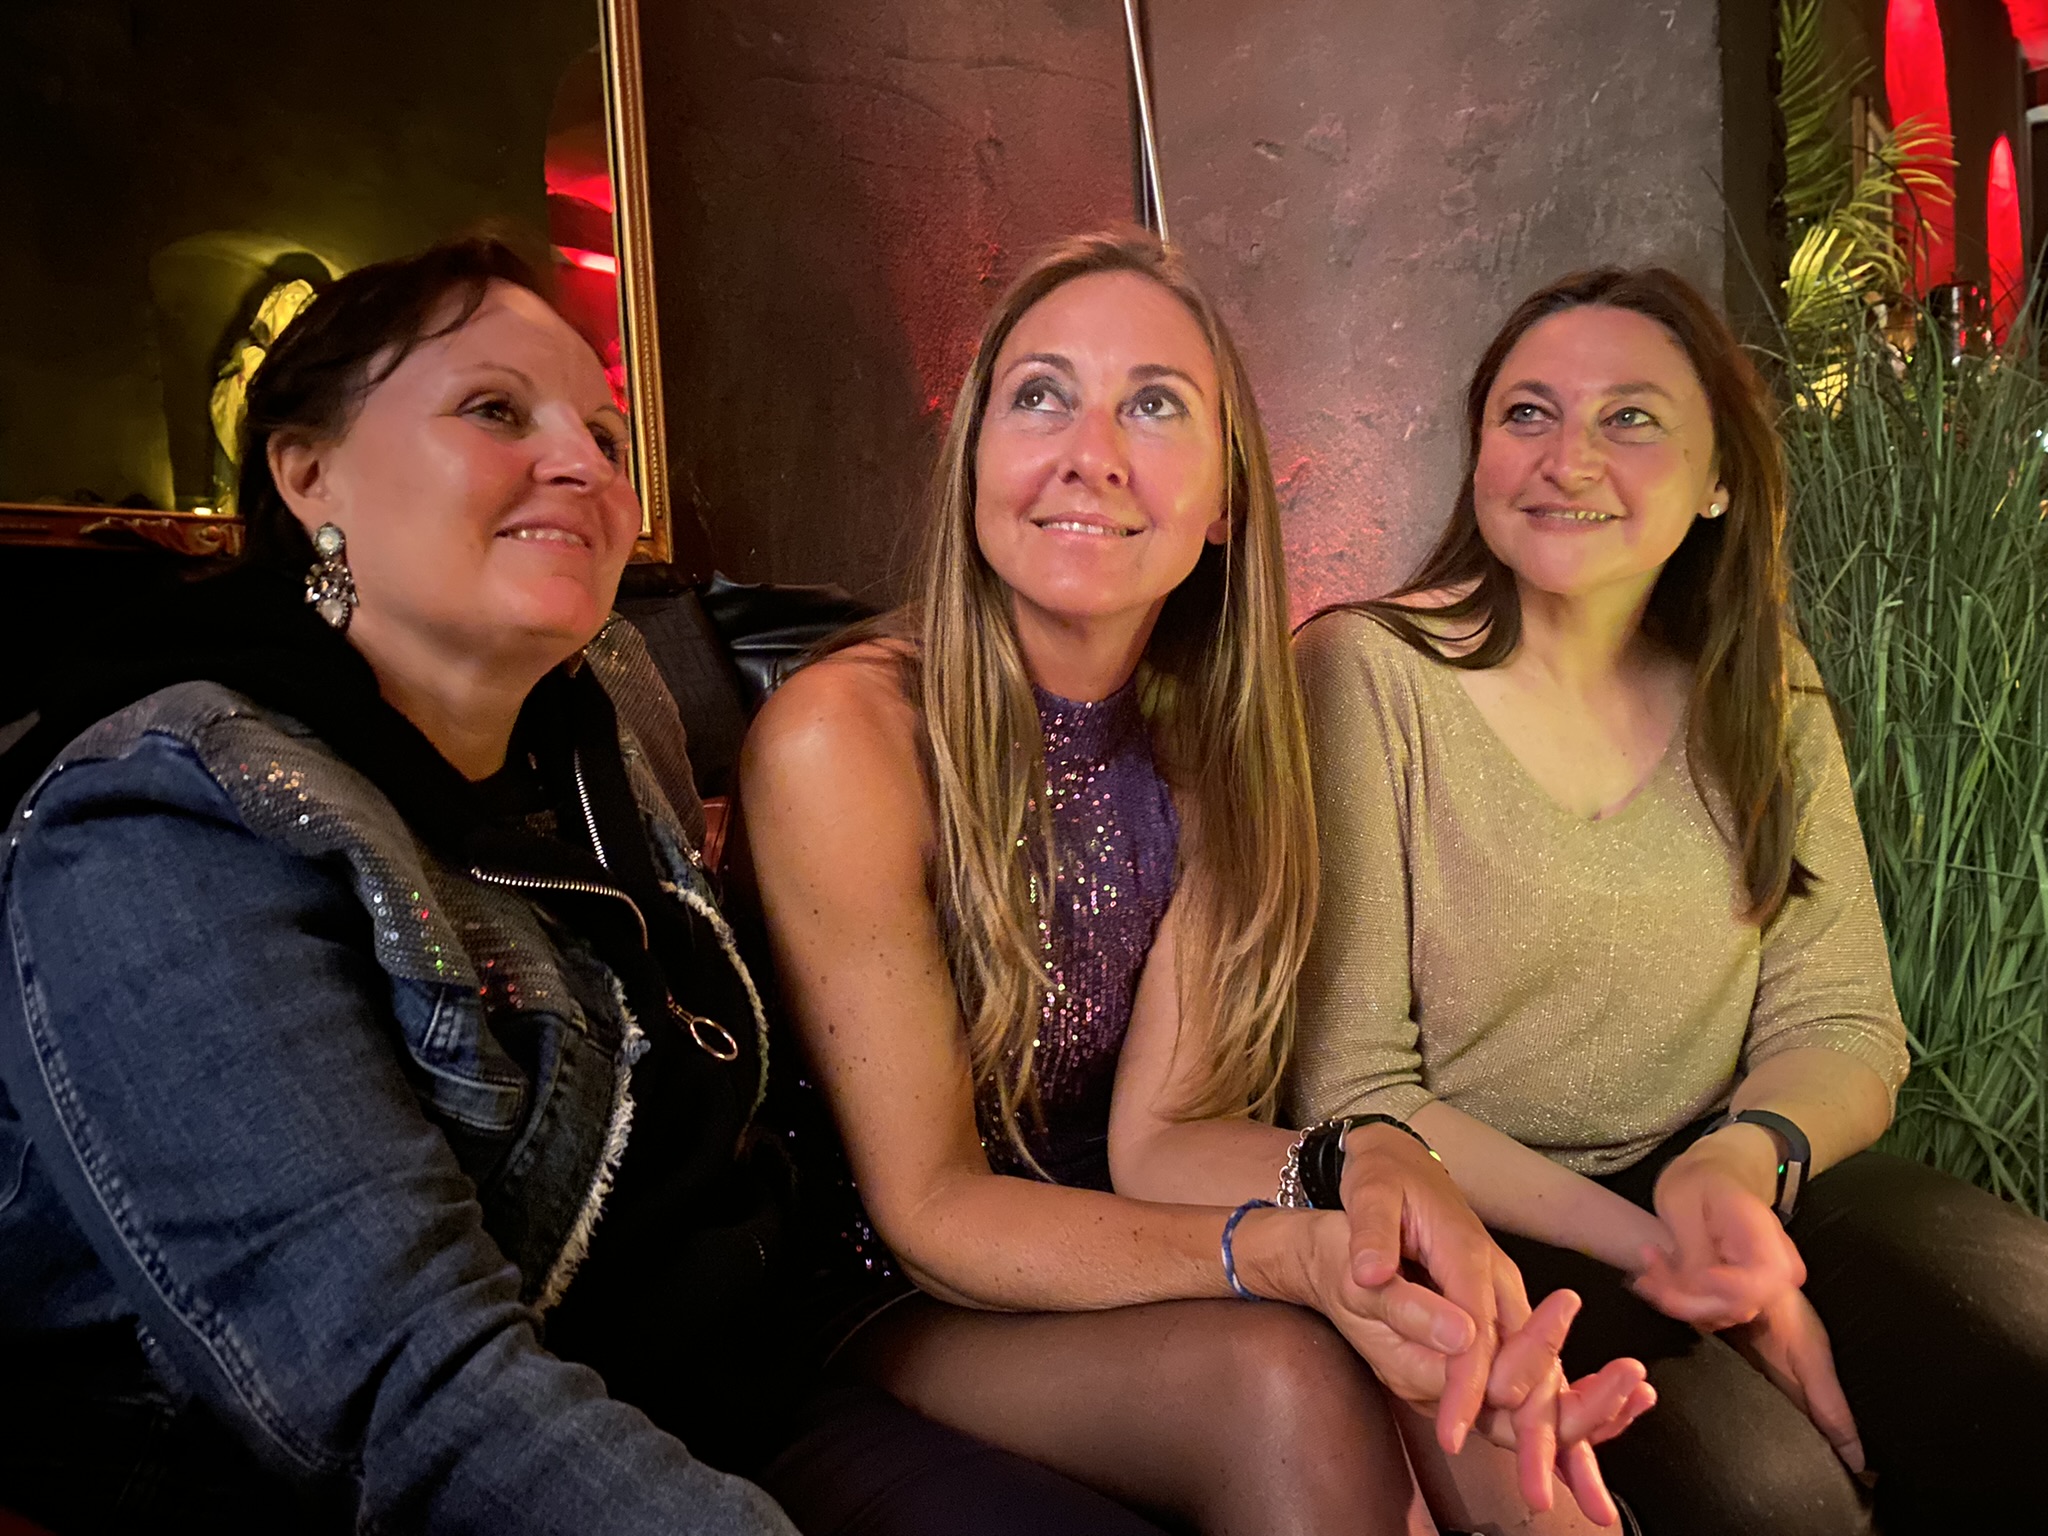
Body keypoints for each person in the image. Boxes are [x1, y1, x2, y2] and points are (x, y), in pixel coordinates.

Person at [0, 238, 1224, 1536]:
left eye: (603, 434)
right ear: (309, 473)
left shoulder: (587, 730)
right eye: (494, 410)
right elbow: (404, 1398)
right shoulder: (159, 821)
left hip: (710, 1377)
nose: (581, 464)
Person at [741, 228, 1654, 1536]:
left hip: (1116, 1236)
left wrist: (1368, 1161)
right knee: (1292, 1377)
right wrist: (1284, 1254)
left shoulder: (1207, 751)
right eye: (1041, 395)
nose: (1092, 452)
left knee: (1457, 1364)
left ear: (1224, 499)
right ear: (975, 460)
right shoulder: (845, 740)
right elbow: (927, 1208)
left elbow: (1159, 1137)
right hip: (888, 1288)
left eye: (1154, 406)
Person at [1289, 265, 2048, 1534]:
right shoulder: (1364, 675)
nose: (1566, 459)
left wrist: (1735, 1169)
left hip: (1720, 1168)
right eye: (1526, 413)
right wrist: (1662, 1252)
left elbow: (1843, 1024)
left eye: (1629, 418)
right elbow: (1351, 1087)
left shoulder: (1765, 690)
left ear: (1716, 483)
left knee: (2023, 1369)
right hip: (1479, 1212)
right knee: (1764, 1504)